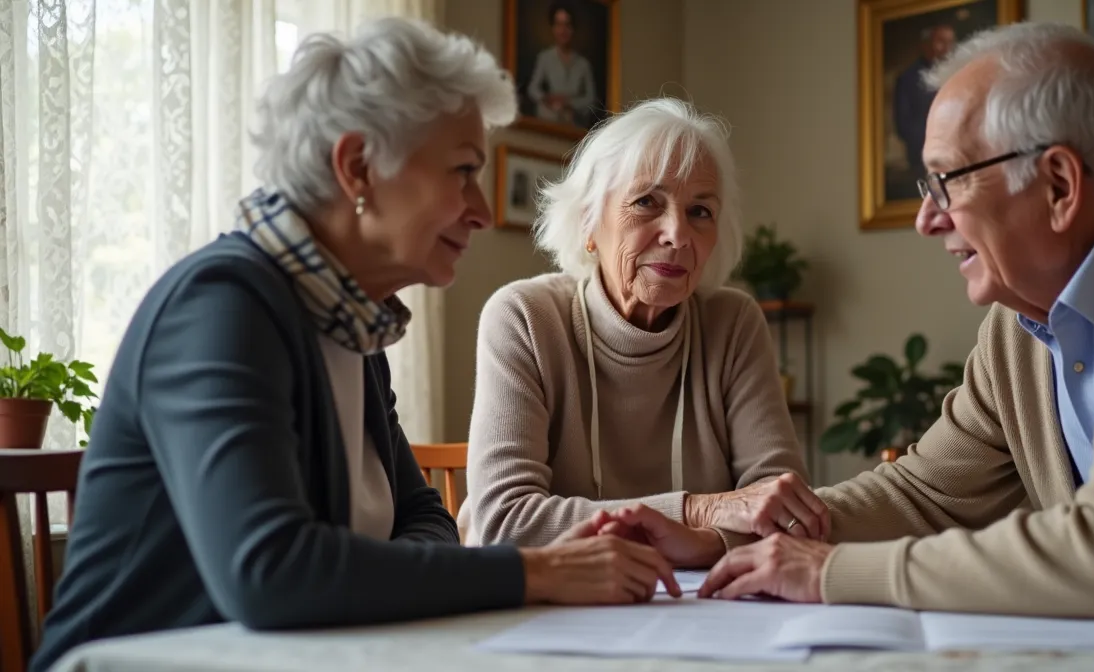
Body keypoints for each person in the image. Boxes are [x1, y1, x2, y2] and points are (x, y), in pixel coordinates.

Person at [30, 19, 681, 672]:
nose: (482, 210)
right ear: (357, 167)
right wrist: (536, 570)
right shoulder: (221, 305)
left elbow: (423, 518)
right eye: (463, 171)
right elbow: (272, 571)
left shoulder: (351, 322)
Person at [618, 22, 1094, 618]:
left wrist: (827, 574)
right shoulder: (1023, 326)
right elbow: (922, 494)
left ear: (1060, 186)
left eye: (946, 181)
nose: (927, 218)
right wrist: (727, 539)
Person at [458, 97, 826, 557]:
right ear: (589, 222)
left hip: (695, 607)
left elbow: (780, 509)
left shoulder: (733, 325)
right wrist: (698, 513)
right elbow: (506, 522)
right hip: (553, 610)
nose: (677, 234)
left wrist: (697, 543)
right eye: (647, 202)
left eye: (700, 211)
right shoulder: (525, 318)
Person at [894, 24, 955, 180]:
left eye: (950, 42)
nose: (947, 48)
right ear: (926, 44)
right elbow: (903, 124)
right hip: (923, 159)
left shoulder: (958, 74)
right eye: (941, 41)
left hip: (957, 155)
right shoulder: (908, 79)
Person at [526, 1, 597, 127]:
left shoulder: (583, 64)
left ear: (573, 29)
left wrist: (569, 102)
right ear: (553, 28)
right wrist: (547, 98)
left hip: (575, 124)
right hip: (549, 119)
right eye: (559, 25)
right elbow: (533, 89)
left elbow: (590, 100)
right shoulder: (545, 57)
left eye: (567, 25)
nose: (563, 30)